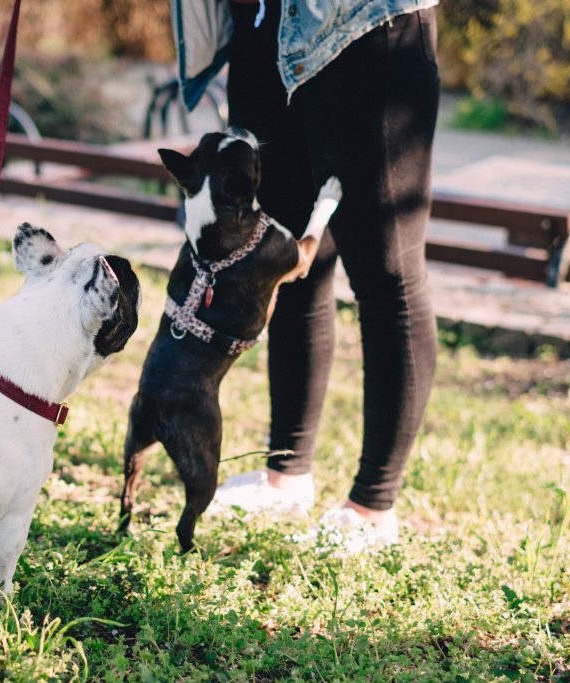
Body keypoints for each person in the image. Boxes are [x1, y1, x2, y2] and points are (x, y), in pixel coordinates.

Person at [171, 0, 441, 550]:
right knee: (287, 255)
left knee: (388, 275)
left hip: (363, 24)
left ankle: (372, 505)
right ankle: (286, 474)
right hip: (261, 28)